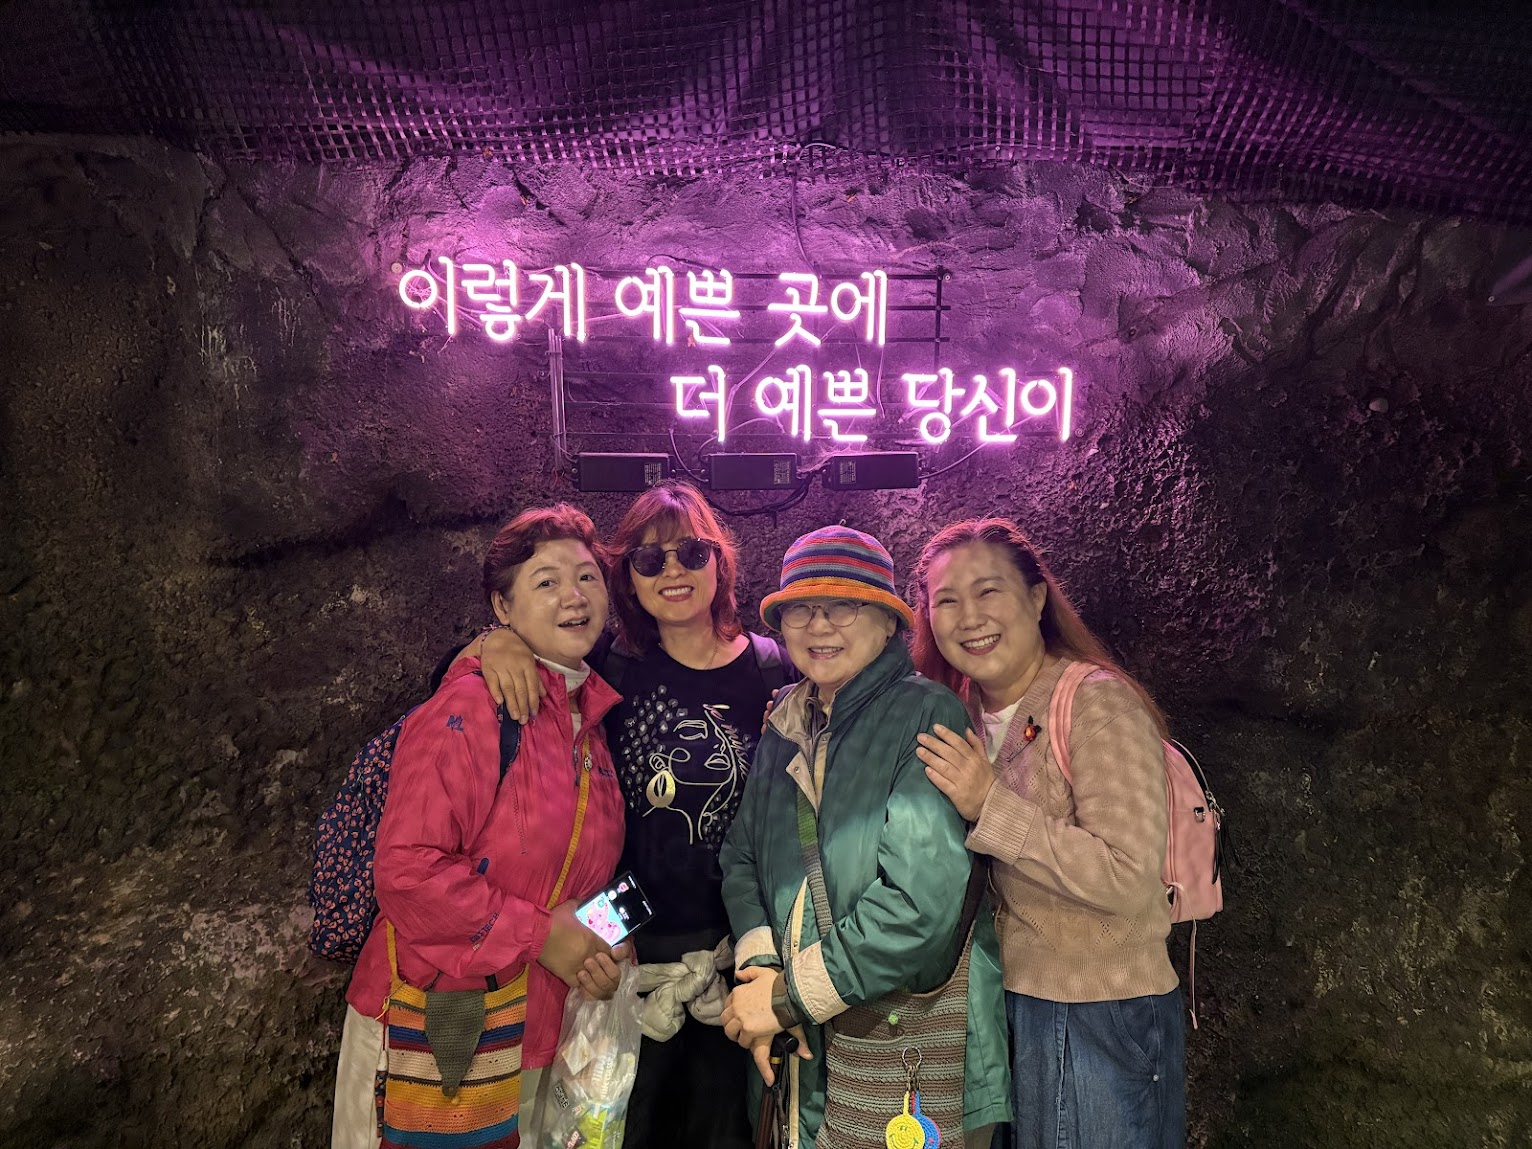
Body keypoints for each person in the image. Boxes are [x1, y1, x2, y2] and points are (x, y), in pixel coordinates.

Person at [469, 481, 795, 1149]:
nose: (673, 570)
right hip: (623, 938)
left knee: (726, 1130)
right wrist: (492, 644)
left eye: (691, 552)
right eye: (649, 559)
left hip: (738, 943)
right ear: (629, 577)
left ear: (720, 561)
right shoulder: (609, 665)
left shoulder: (771, 669)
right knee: (616, 1126)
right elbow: (471, 674)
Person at [331, 504, 629, 1149]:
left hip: (533, 1036)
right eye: (546, 582)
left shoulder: (593, 727)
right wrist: (543, 937)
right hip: (433, 1032)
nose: (574, 596)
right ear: (502, 607)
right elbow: (407, 871)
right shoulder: (473, 708)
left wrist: (605, 947)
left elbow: (580, 883)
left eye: (588, 577)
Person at [718, 525, 1010, 1149]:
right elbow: (742, 854)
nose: (819, 625)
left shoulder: (927, 714)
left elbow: (919, 904)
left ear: (888, 624)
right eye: (801, 609)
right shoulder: (785, 720)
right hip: (801, 1046)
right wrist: (763, 973)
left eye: (844, 606)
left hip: (901, 1047)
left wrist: (787, 998)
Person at [907, 518, 1185, 1149]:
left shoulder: (1095, 702)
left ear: (1037, 598)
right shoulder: (956, 713)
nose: (969, 617)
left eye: (989, 591)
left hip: (1099, 1010)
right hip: (999, 1005)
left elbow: (1126, 874)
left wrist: (989, 804)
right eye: (946, 601)